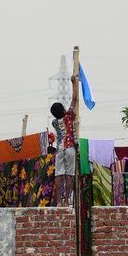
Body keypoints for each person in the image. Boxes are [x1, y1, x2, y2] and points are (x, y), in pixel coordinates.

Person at [50, 74, 78, 206]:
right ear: (63, 109)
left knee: (58, 175)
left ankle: (58, 202)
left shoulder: (55, 122)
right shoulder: (68, 117)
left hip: (59, 149)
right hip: (70, 148)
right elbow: (74, 98)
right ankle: (66, 200)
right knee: (69, 175)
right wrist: (74, 83)